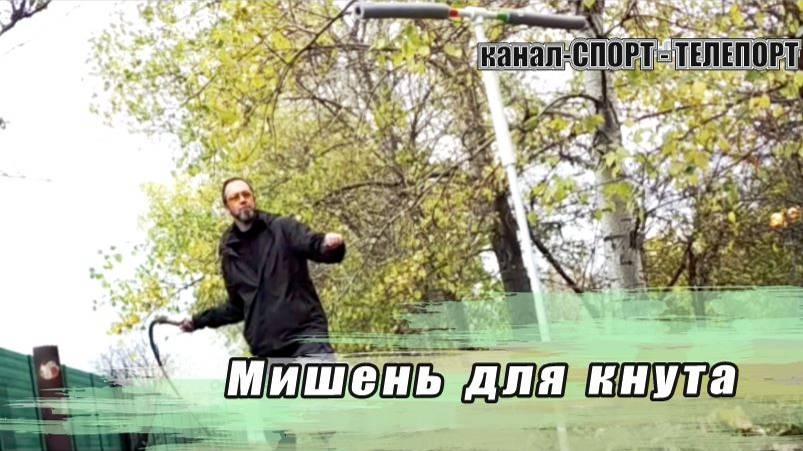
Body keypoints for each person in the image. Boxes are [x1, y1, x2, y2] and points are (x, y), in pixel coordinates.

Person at [178, 177, 345, 361]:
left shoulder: (282, 228)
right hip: (267, 350)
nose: (242, 200)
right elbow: (237, 307)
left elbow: (314, 244)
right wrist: (198, 321)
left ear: (253, 199)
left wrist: (329, 245)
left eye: (246, 194)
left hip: (307, 338)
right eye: (235, 197)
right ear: (227, 207)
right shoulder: (230, 254)